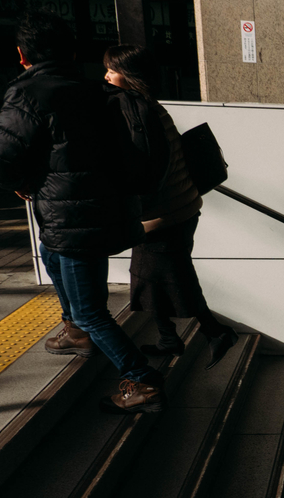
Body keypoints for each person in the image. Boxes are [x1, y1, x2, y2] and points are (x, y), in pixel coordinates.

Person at [0, 9, 166, 413]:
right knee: (50, 255)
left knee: (92, 309)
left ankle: (142, 379)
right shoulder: (92, 91)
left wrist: (24, 182)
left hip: (73, 219)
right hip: (100, 211)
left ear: (22, 54)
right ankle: (75, 331)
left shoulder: (29, 92)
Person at [102, 44, 238, 370]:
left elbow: (146, 168)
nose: (106, 75)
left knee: (174, 278)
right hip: (178, 208)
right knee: (148, 277)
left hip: (166, 215)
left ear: (130, 75)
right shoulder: (146, 104)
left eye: (112, 69)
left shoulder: (135, 111)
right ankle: (168, 337)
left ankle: (216, 332)